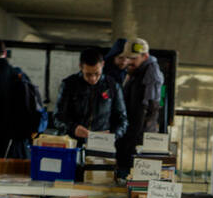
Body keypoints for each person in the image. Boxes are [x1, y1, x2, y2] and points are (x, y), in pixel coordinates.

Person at [50, 47, 128, 147]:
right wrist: (73, 128)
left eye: (97, 74)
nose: (93, 79)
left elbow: (122, 120)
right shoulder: (69, 84)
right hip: (72, 143)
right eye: (88, 74)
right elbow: (58, 117)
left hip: (102, 144)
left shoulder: (113, 85)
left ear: (103, 65)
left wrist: (113, 135)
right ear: (80, 67)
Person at [116, 37, 165, 179]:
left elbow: (148, 112)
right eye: (127, 58)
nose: (128, 62)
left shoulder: (151, 76)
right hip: (130, 134)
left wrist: (131, 143)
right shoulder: (136, 72)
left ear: (145, 56)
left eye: (133, 59)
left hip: (137, 139)